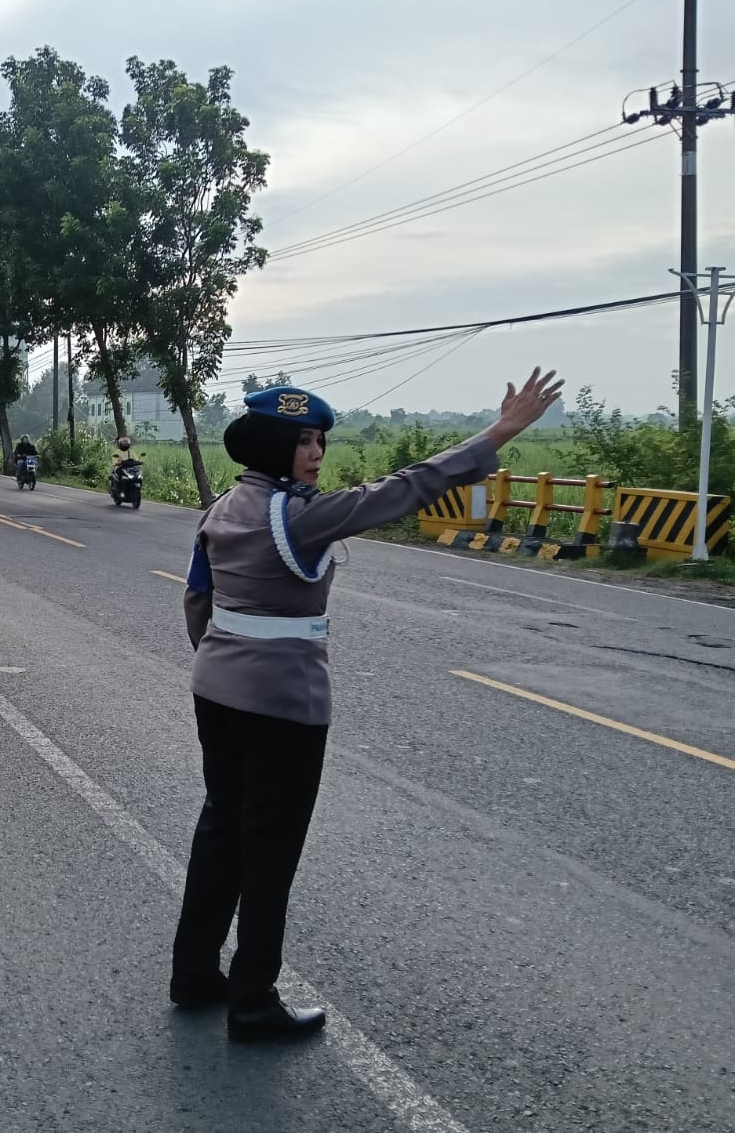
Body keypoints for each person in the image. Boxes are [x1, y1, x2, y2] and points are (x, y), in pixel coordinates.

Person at [169, 371, 563, 1043]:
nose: (317, 452)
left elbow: (197, 598)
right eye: (302, 441)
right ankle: (254, 1000)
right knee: (270, 849)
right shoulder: (300, 516)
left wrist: (218, 659)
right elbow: (405, 488)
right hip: (281, 707)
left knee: (221, 832)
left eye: (320, 439)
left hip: (216, 691)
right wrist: (498, 433)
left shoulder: (227, 506)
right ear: (270, 447)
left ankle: (196, 974)